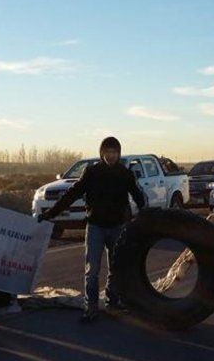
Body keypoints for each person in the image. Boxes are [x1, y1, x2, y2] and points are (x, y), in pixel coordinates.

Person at [39, 136, 145, 323]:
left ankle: (113, 301)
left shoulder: (125, 174)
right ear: (102, 153)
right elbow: (72, 194)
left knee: (116, 268)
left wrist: (147, 215)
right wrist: (50, 213)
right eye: (107, 152)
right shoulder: (92, 172)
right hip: (95, 227)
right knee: (92, 270)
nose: (111, 155)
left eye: (114, 152)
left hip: (117, 227)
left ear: (118, 153)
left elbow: (138, 197)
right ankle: (91, 308)